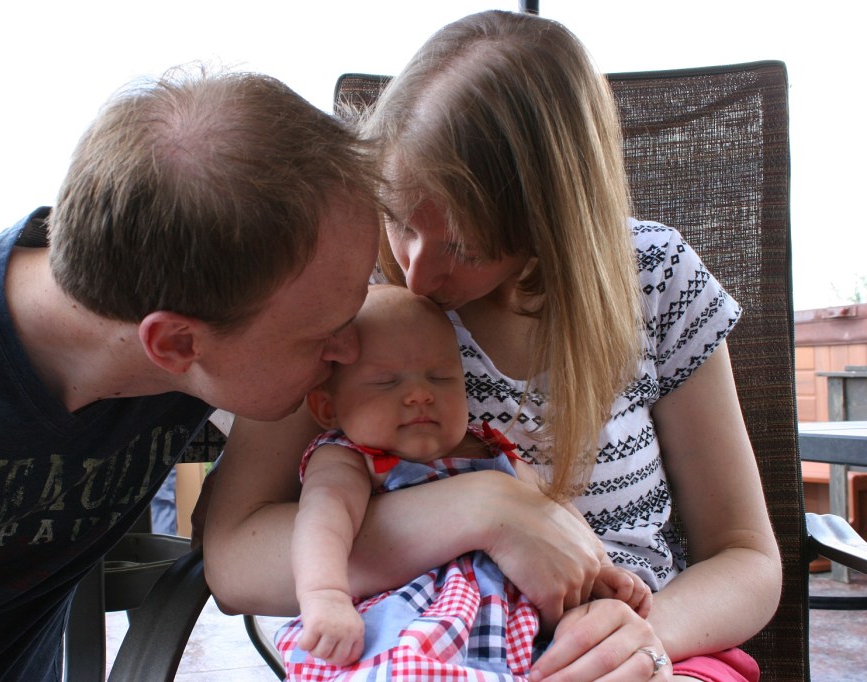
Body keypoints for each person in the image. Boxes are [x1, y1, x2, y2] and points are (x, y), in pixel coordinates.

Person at [203, 11, 781, 682]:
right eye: (396, 219)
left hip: (651, 650)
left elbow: (746, 556)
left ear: (550, 223)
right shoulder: (351, 294)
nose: (416, 274)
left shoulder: (653, 277)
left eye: (465, 247)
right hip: (427, 647)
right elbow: (234, 558)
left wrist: (643, 637)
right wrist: (485, 510)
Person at [0, 66, 381, 681]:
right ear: (175, 341)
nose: (349, 348)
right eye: (321, 335)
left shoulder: (194, 364)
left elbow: (253, 554)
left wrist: (484, 507)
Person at [280, 284, 650, 679]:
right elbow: (323, 521)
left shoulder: (486, 446)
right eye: (386, 382)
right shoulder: (350, 457)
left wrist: (603, 568)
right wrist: (326, 596)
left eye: (440, 378)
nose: (420, 394)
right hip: (412, 623)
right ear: (327, 406)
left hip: (518, 632)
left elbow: (550, 508)